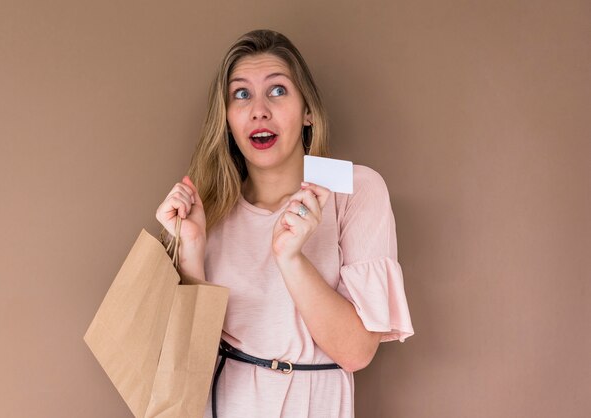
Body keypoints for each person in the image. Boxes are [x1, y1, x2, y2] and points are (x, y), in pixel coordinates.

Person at [155, 29, 414, 418]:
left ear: (308, 111)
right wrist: (190, 250)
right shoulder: (210, 208)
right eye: (241, 94)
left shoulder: (354, 188)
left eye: (277, 90)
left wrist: (290, 258)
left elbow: (357, 351)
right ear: (226, 120)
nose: (259, 109)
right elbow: (189, 366)